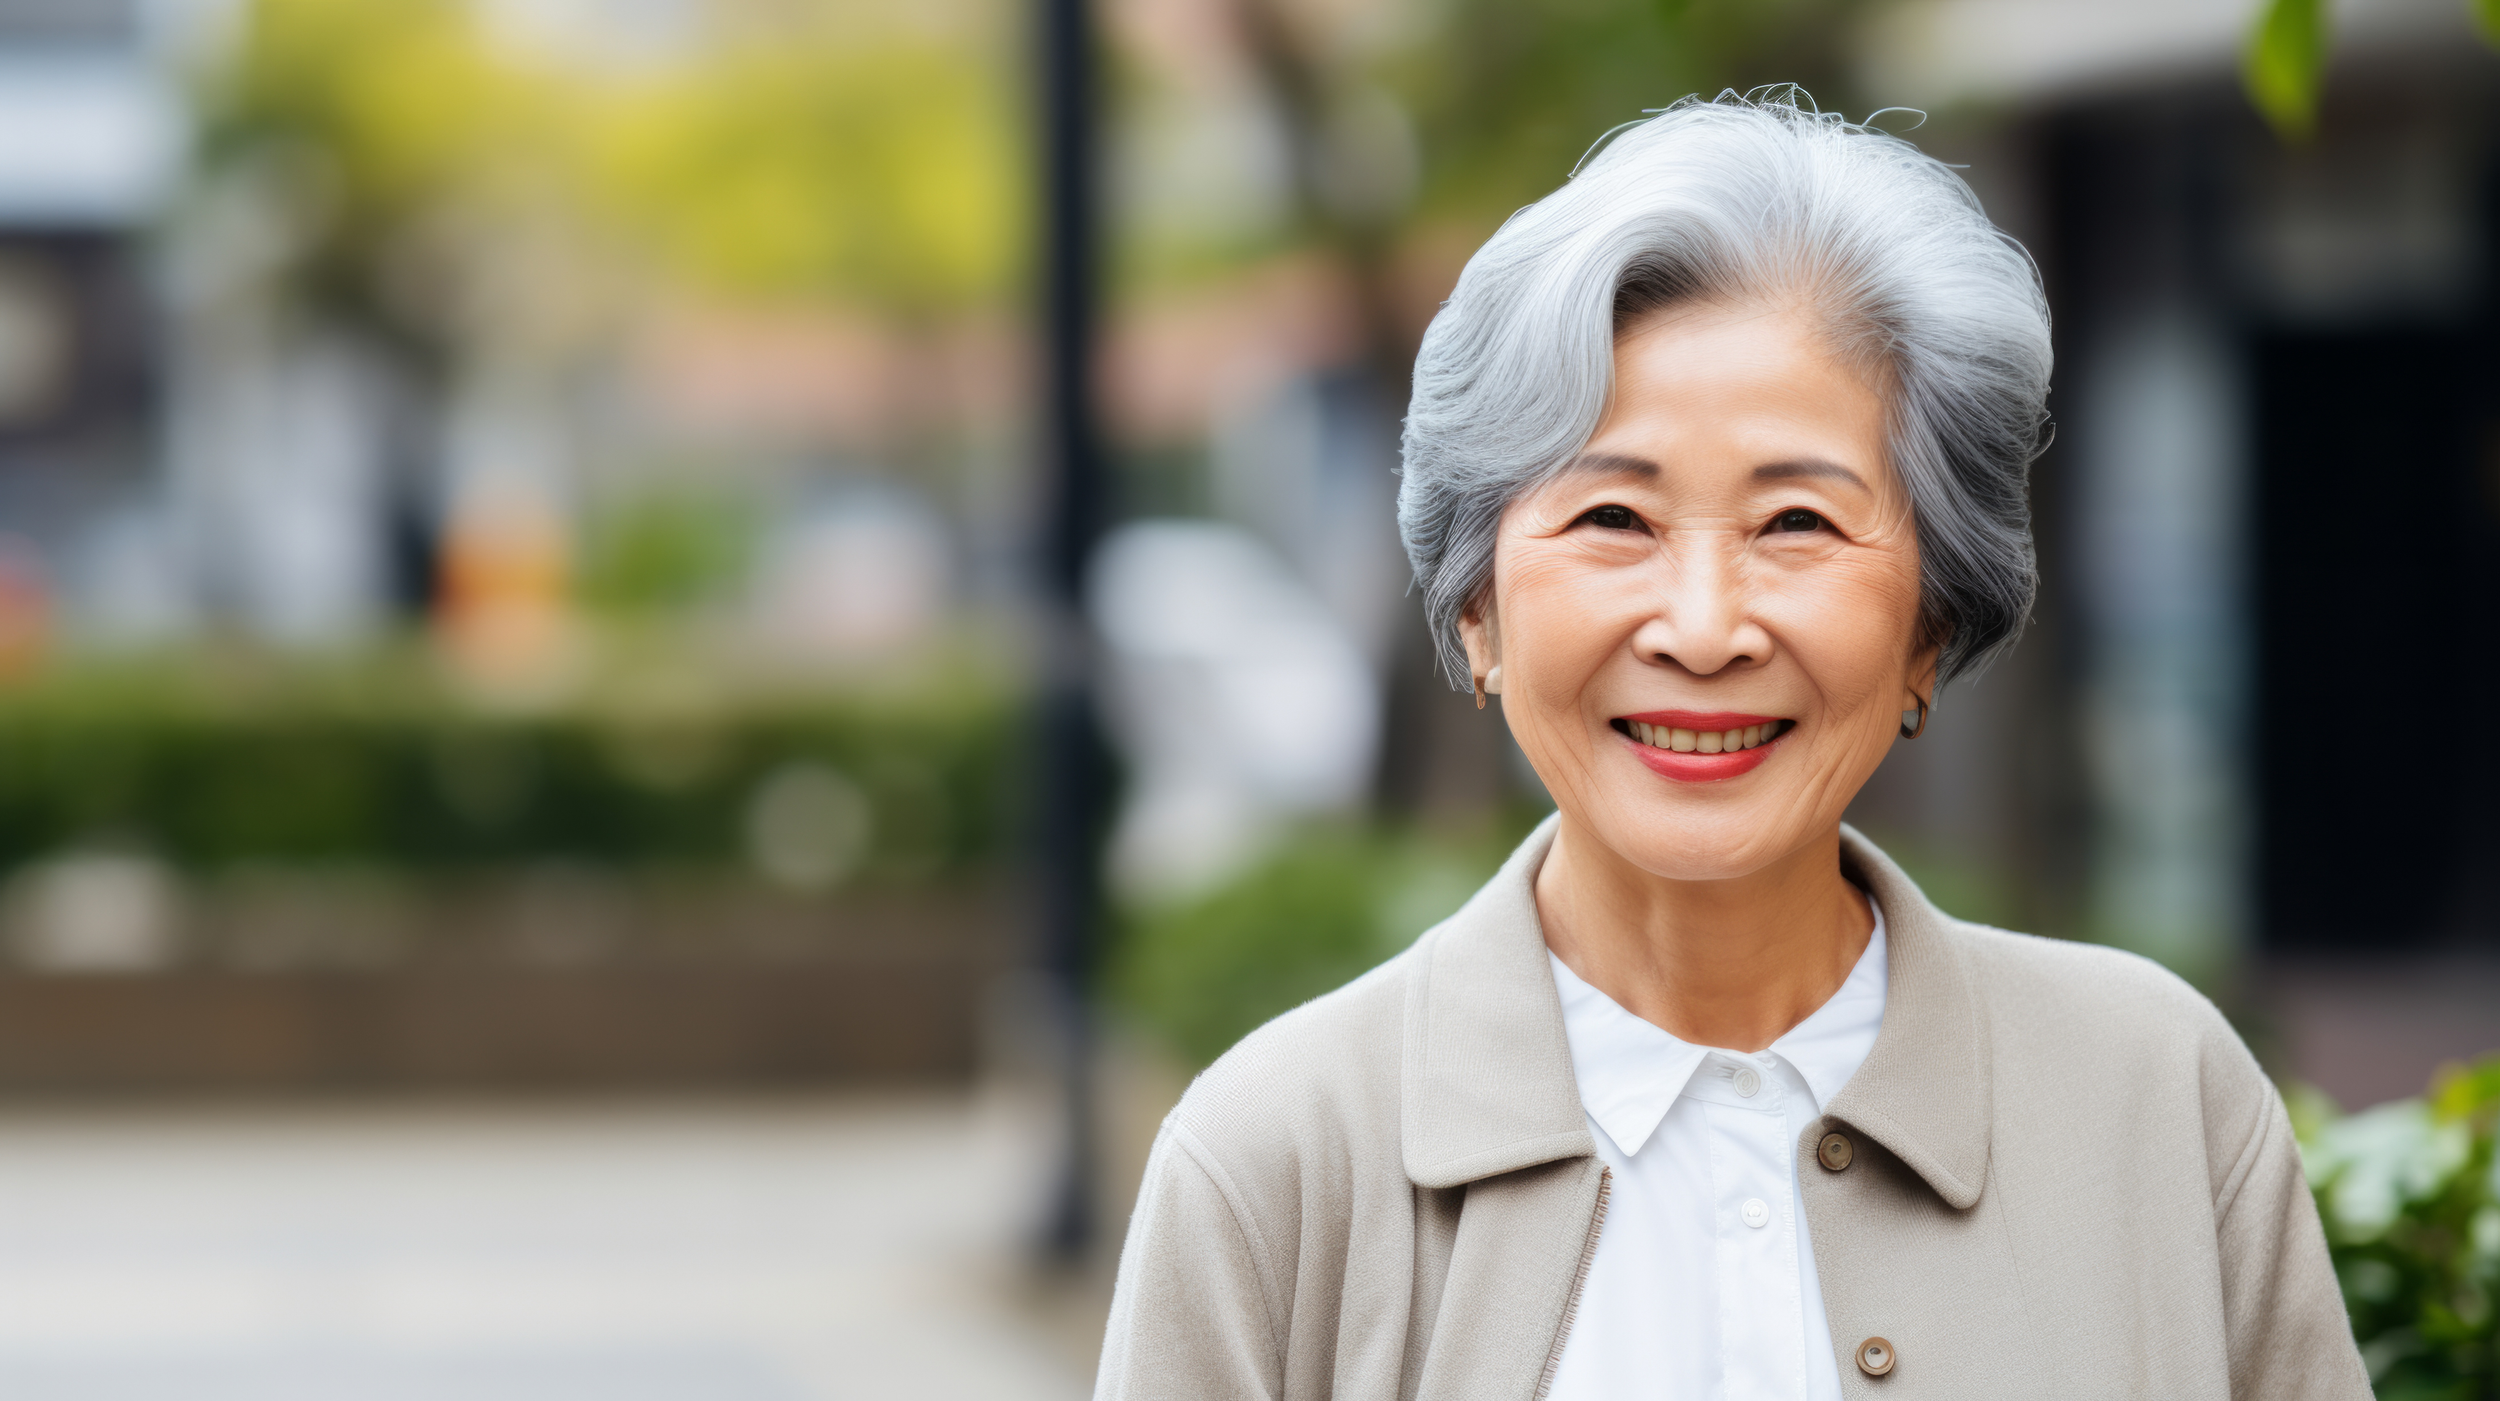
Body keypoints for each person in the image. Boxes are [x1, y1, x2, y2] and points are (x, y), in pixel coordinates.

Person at [1093, 92, 2366, 1400]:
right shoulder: (1277, 1162)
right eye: (1613, 520)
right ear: (1477, 611)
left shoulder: (2157, 1094)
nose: (1703, 629)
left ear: (1933, 625)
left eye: (1799, 523)